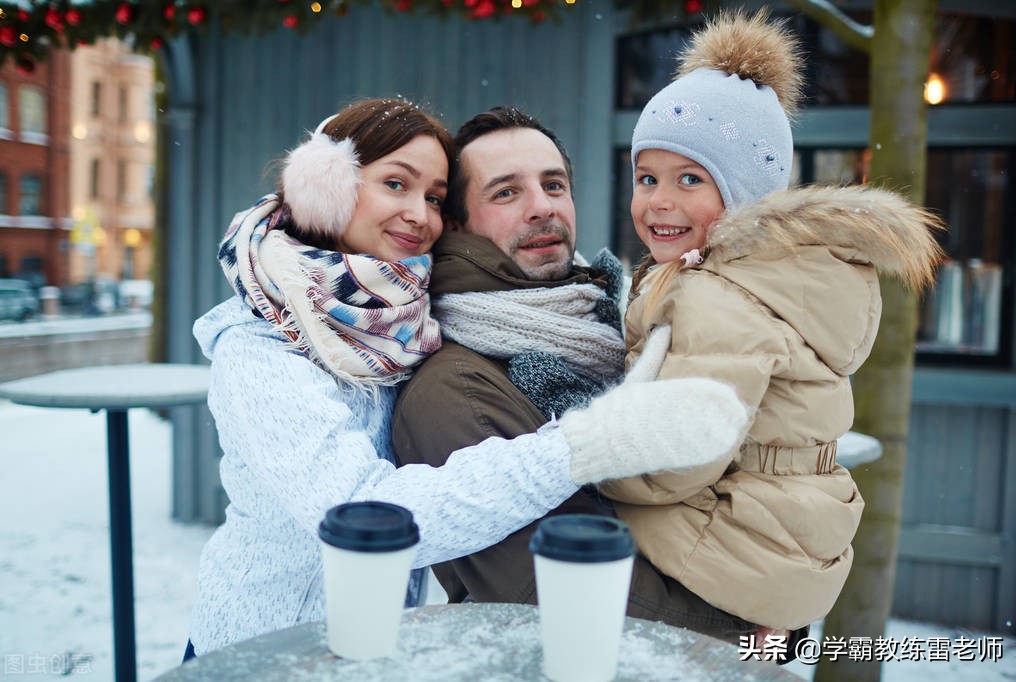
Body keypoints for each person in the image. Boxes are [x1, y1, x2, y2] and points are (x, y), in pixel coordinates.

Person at [187, 97, 750, 656]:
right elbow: (359, 515)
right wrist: (587, 443)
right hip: (265, 651)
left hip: (369, 647)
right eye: (396, 184)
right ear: (327, 187)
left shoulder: (400, 327)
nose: (419, 214)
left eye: (432, 196)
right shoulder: (262, 348)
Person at [601, 8, 944, 651]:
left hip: (729, 560)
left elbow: (674, 458)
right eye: (647, 178)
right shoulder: (778, 275)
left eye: (690, 180)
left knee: (554, 548)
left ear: (745, 196)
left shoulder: (720, 299)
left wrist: (583, 463)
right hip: (783, 555)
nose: (659, 201)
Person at [391, 105, 759, 642]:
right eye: (506, 193)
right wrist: (750, 628)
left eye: (553, 185)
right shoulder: (455, 392)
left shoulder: (624, 322)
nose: (542, 208)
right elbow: (567, 596)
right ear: (456, 224)